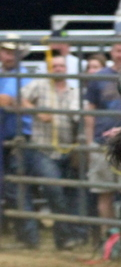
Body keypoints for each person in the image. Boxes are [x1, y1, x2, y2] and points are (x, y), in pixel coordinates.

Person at [20, 53, 87, 249]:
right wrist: (36, 112)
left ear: (66, 68)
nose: (58, 69)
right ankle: (66, 236)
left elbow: (80, 118)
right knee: (54, 189)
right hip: (44, 149)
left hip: (68, 148)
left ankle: (64, 238)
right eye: (54, 66)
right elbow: (21, 97)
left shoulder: (74, 89)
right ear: (49, 68)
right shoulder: (39, 85)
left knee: (69, 193)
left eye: (61, 66)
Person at [84, 42, 121, 234]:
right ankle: (110, 237)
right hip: (101, 142)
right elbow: (90, 111)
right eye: (118, 50)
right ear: (111, 52)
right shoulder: (99, 78)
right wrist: (90, 143)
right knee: (104, 192)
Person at [0, 36, 36, 247]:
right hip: (6, 134)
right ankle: (23, 234)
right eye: (4, 50)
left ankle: (29, 236)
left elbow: (12, 101)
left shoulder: (24, 76)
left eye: (10, 51)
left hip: (18, 136)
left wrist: (8, 101)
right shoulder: (6, 74)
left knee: (17, 186)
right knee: (12, 186)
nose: (5, 55)